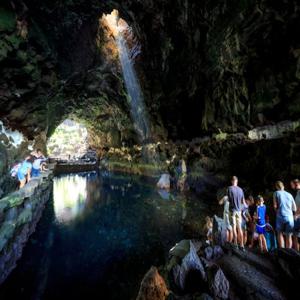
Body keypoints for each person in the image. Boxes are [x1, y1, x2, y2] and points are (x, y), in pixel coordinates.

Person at [273, 181, 297, 248]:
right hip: (290, 217)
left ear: (276, 187)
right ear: (283, 186)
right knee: (289, 236)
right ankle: (288, 253)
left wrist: (276, 211)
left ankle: (282, 252)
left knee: (279, 233)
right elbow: (294, 208)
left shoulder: (276, 193)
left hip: (280, 216)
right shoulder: (289, 194)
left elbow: (275, 206)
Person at [227, 176, 246, 251]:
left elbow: (229, 199)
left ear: (232, 181)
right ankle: (242, 245)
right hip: (239, 211)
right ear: (237, 181)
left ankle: (235, 244)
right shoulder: (241, 190)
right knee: (240, 228)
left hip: (233, 210)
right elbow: (243, 202)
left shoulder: (229, 188)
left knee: (234, 227)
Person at [292, 179, 300, 251]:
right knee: (295, 235)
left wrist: (296, 215)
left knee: (295, 235)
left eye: (295, 184)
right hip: (297, 216)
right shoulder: (297, 192)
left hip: (298, 217)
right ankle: (297, 254)